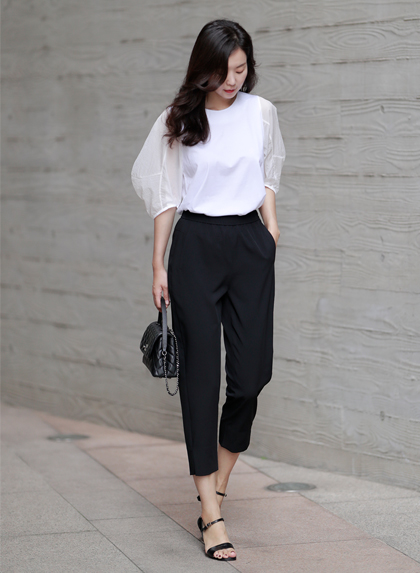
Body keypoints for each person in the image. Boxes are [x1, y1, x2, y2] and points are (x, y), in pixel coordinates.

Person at [131, 19, 285, 562]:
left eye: (240, 70)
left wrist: (270, 227)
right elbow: (166, 195)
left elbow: (267, 172)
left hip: (248, 244)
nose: (232, 81)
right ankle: (211, 513)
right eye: (222, 72)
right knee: (200, 381)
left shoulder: (261, 112)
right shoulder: (180, 119)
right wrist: (158, 263)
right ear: (203, 70)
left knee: (250, 376)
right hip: (195, 247)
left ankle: (216, 486)